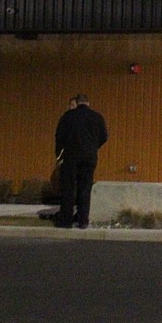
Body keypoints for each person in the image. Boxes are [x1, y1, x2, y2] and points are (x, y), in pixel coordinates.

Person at [53, 93, 108, 229]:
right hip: (89, 157)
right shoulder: (97, 117)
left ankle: (66, 221)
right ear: (88, 103)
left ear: (77, 103)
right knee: (85, 187)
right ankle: (83, 220)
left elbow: (59, 135)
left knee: (68, 188)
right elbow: (104, 136)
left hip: (71, 156)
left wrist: (59, 154)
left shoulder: (68, 116)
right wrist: (94, 147)